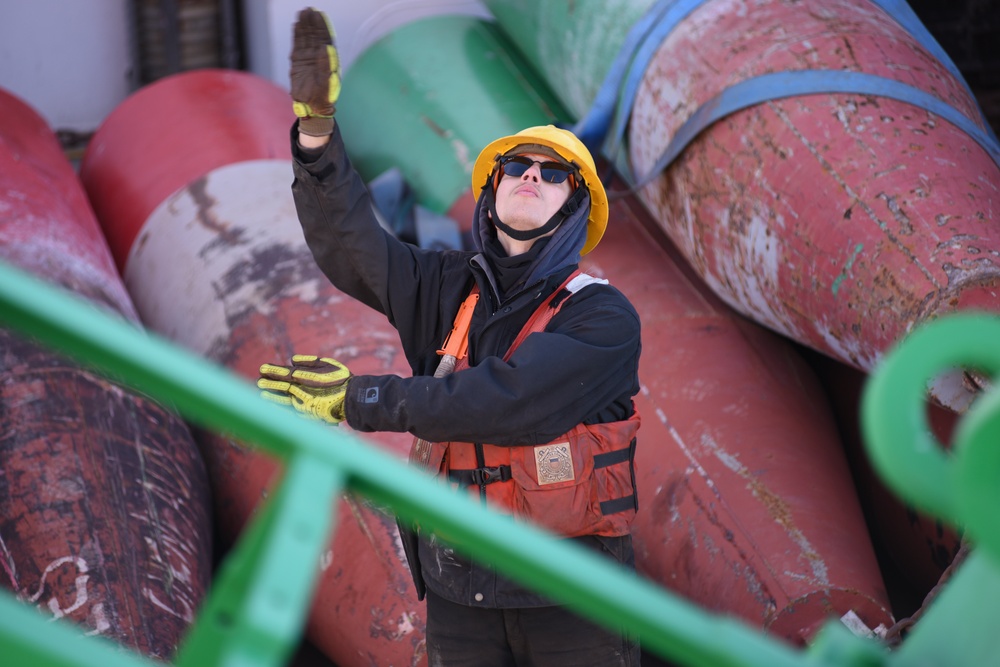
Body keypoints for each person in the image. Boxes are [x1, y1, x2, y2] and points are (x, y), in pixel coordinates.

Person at [258, 8, 642, 666]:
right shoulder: (444, 287)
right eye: (517, 165)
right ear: (490, 190)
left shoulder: (602, 316)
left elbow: (508, 400)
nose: (532, 176)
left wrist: (361, 399)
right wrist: (318, 136)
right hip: (459, 598)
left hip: (576, 604)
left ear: (577, 207)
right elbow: (358, 250)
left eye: (556, 175)